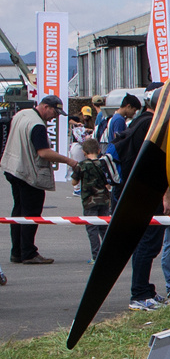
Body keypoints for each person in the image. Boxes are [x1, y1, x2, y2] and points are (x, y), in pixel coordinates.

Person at [3, 93, 79, 266]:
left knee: (19, 211)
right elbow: (43, 152)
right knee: (31, 213)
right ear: (46, 107)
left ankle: (17, 251)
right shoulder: (37, 125)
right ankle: (29, 252)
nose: (55, 117)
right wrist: (69, 161)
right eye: (55, 113)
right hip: (27, 172)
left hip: (12, 167)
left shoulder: (22, 114)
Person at [115, 91, 167, 311]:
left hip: (134, 191)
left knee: (145, 244)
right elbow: (155, 163)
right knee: (148, 244)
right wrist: (166, 197)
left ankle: (145, 290)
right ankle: (140, 294)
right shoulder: (151, 126)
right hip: (148, 194)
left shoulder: (139, 122)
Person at [72, 137, 111, 262]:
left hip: (89, 201)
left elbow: (74, 182)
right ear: (99, 150)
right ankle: (107, 254)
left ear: (84, 152)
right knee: (104, 227)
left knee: (92, 228)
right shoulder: (103, 164)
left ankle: (96, 256)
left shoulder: (81, 165)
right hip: (104, 200)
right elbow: (108, 184)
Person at [103, 93, 137, 159]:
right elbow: (119, 140)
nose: (134, 113)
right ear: (128, 106)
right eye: (134, 110)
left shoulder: (115, 116)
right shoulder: (119, 120)